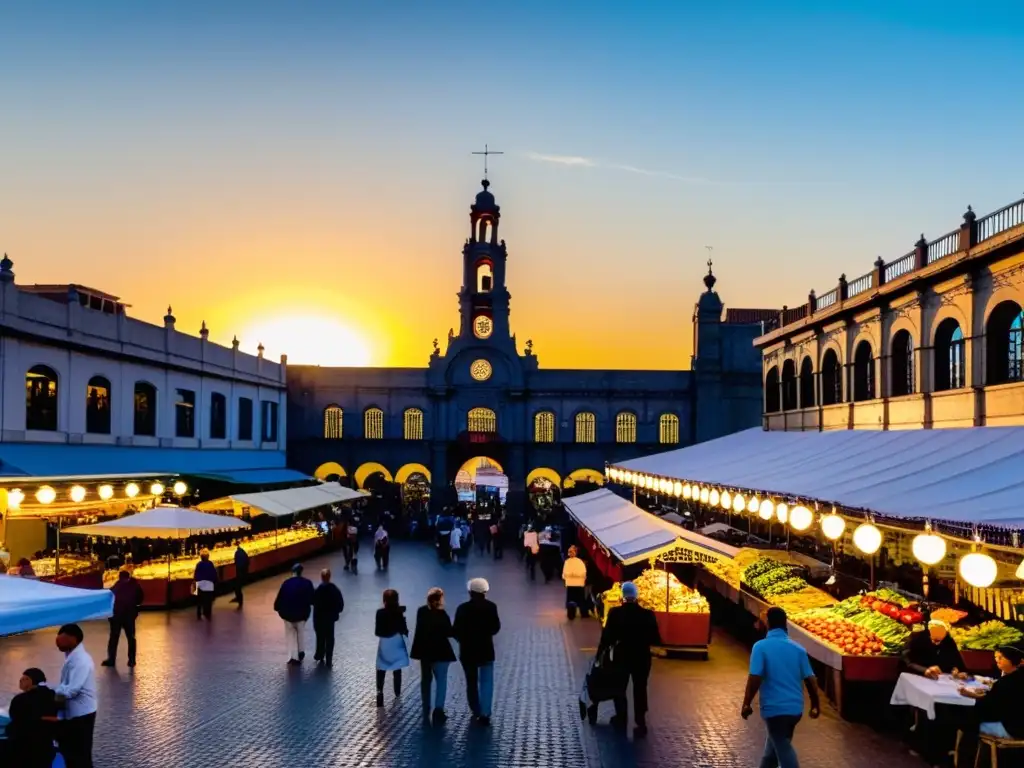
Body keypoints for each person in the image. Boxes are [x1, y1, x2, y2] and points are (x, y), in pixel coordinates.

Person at [741, 607, 821, 768]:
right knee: (772, 751)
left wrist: (747, 703)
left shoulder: (760, 647)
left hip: (774, 709)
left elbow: (755, 677)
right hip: (794, 710)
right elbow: (810, 679)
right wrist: (815, 704)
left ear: (768, 623)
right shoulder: (798, 649)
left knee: (783, 747)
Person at [598, 581, 661, 736]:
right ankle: (640, 721)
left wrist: (599, 655)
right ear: (637, 596)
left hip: (622, 656)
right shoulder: (648, 614)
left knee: (620, 687)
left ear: (622, 596)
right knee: (640, 688)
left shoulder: (615, 613)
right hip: (642, 658)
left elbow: (606, 638)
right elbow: (656, 639)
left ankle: (621, 717)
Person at [955, 645, 1024, 765]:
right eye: (996, 657)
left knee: (965, 722)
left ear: (1013, 660)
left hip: (1012, 730)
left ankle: (965, 762)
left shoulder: (1005, 683)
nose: (997, 660)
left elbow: (988, 708)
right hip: (1018, 726)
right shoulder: (1016, 679)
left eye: (1001, 657)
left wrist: (973, 697)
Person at [452, 577, 501, 726]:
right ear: (485, 591)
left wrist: (462, 639)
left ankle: (476, 710)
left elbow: (455, 630)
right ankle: (486, 712)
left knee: (471, 682)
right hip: (486, 649)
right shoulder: (491, 607)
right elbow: (495, 627)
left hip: (468, 651)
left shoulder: (462, 608)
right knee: (486, 682)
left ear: (470, 592)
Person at [410, 586, 456, 725]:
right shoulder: (442, 615)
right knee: (441, 681)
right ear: (441, 599)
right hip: (441, 653)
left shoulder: (421, 612)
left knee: (426, 680)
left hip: (425, 653)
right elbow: (449, 632)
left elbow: (419, 632)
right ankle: (438, 709)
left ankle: (426, 705)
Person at [54, 623, 97, 768]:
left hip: (81, 715)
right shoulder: (70, 656)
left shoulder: (80, 660)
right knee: (70, 753)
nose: (57, 643)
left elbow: (72, 690)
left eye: (60, 640)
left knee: (80, 756)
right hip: (72, 714)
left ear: (73, 638)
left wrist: (52, 694)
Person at [6, 667, 58, 767]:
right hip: (46, 746)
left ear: (32, 681)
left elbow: (15, 718)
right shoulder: (54, 695)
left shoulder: (20, 699)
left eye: (25, 678)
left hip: (23, 747)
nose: (20, 680)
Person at [274, 563, 315, 665]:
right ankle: (301, 650)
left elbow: (279, 599)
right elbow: (312, 600)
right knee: (300, 632)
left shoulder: (286, 583)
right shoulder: (307, 583)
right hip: (302, 614)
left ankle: (293, 656)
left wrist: (278, 608)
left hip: (287, 614)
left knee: (290, 634)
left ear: (292, 572)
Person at [102, 569, 144, 668]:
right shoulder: (134, 585)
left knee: (115, 638)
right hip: (126, 616)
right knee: (130, 638)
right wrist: (135, 608)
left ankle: (112, 659)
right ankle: (131, 660)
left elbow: (110, 596)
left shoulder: (119, 585)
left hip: (118, 615)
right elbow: (140, 598)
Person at [375, 589, 409, 706]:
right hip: (397, 642)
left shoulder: (380, 613)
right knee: (397, 668)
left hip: (385, 642)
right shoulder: (399, 613)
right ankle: (397, 692)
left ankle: (379, 691)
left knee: (381, 668)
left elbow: (377, 631)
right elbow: (404, 630)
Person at [312, 568, 344, 667]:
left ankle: (320, 655)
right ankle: (329, 659)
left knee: (320, 637)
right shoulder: (334, 589)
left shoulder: (318, 590)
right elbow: (340, 605)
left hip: (319, 618)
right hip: (330, 619)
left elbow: (313, 602)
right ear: (329, 577)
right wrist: (335, 612)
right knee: (330, 638)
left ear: (321, 577)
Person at [562, 545, 588, 620]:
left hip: (570, 584)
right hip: (579, 584)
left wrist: (570, 575)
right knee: (581, 599)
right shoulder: (580, 562)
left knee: (571, 599)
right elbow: (583, 573)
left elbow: (564, 574)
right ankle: (583, 613)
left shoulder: (567, 562)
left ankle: (571, 614)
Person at [193, 549, 217, 621]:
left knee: (200, 600)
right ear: (207, 557)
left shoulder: (199, 564)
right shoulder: (210, 564)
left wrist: (196, 582)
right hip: (209, 584)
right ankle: (207, 613)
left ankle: (199, 613)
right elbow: (214, 574)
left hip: (200, 584)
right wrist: (214, 582)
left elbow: (196, 575)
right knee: (208, 600)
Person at [230, 542, 249, 607]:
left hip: (240, 572)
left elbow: (237, 563)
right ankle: (239, 599)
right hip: (243, 571)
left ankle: (239, 599)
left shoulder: (237, 553)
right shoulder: (242, 551)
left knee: (237, 586)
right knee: (238, 586)